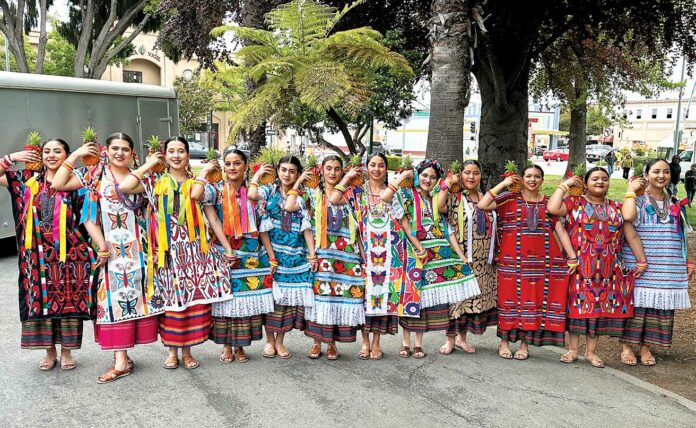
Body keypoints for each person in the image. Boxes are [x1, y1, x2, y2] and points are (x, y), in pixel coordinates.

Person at [53, 133, 165, 383]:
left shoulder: (143, 177)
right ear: (106, 150)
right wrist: (77, 155)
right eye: (115, 148)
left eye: (125, 149)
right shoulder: (94, 175)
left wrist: (148, 165)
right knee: (113, 302)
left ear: (133, 153)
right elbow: (58, 183)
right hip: (111, 252)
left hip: (140, 251)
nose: (120, 153)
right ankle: (121, 360)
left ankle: (125, 358)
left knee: (135, 300)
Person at [120, 136, 234, 370]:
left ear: (187, 155)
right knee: (171, 301)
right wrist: (150, 164)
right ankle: (172, 352)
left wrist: (228, 248)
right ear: (165, 154)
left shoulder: (198, 183)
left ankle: (188, 351)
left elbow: (212, 217)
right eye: (171, 151)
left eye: (181, 151)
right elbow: (125, 186)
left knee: (191, 301)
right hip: (167, 251)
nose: (176, 155)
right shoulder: (155, 182)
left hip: (194, 250)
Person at [0, 139, 96, 372]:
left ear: (67, 154)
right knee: (39, 300)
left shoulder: (75, 180)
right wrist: (12, 157)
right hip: (35, 255)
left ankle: (67, 351)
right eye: (47, 151)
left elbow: (87, 216)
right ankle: (49, 352)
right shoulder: (25, 179)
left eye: (58, 151)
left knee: (68, 301)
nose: (52, 155)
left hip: (70, 254)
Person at [548, 167, 647, 368]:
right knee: (577, 308)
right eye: (594, 179)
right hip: (580, 268)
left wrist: (641, 260)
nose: (600, 182)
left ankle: (591, 353)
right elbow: (551, 208)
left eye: (604, 179)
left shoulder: (616, 207)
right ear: (585, 183)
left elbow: (630, 228)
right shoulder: (574, 204)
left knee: (598, 310)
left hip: (606, 271)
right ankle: (573, 350)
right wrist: (565, 186)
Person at [382, 159, 480, 359]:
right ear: (418, 175)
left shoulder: (436, 199)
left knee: (423, 299)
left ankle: (418, 343)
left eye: (433, 177)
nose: (428, 180)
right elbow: (405, 224)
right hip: (413, 251)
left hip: (436, 251)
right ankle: (405, 342)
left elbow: (447, 230)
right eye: (424, 175)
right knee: (411, 295)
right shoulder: (406, 194)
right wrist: (419, 248)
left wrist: (462, 256)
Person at [478, 164, 577, 360]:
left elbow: (560, 230)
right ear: (522, 179)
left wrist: (572, 256)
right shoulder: (509, 199)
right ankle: (504, 343)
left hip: (541, 264)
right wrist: (504, 184)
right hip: (511, 263)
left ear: (542, 180)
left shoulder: (548, 204)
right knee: (509, 303)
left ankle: (525, 345)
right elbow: (482, 204)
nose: (532, 180)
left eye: (537, 176)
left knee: (533, 303)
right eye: (529, 176)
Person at [193, 148, 275, 363]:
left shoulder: (256, 192)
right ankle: (227, 346)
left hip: (251, 253)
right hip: (224, 251)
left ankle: (240, 346)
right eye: (227, 164)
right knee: (225, 300)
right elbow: (196, 196)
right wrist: (205, 170)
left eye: (237, 163)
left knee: (244, 301)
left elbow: (262, 226)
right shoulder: (215, 191)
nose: (232, 168)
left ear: (245, 166)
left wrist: (270, 256)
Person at [286, 156, 365, 360]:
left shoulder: (351, 195)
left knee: (340, 297)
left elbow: (360, 226)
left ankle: (332, 344)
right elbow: (289, 206)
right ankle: (316, 342)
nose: (332, 173)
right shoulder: (312, 194)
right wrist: (300, 180)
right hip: (322, 254)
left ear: (342, 171)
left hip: (347, 255)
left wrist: (363, 259)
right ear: (321, 170)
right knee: (320, 298)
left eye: (337, 169)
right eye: (328, 168)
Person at [330, 153, 405, 360]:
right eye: (372, 165)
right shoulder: (356, 192)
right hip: (362, 254)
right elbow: (334, 199)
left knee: (382, 297)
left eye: (381, 165)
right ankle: (364, 342)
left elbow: (402, 220)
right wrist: (347, 177)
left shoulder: (393, 193)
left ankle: (377, 343)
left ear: (386, 169)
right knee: (364, 298)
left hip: (388, 254)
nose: (377, 169)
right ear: (367, 167)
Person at [620, 159, 693, 366]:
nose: (661, 176)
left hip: (668, 264)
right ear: (647, 174)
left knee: (658, 308)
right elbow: (627, 218)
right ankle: (627, 347)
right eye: (656, 171)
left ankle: (645, 348)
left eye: (666, 172)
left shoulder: (674, 201)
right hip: (641, 262)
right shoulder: (638, 199)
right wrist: (630, 189)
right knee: (637, 306)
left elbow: (682, 235)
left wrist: (688, 261)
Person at [247, 155, 316, 359]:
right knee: (272, 300)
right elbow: (252, 196)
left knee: (287, 302)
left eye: (292, 171)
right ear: (277, 171)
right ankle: (269, 340)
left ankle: (280, 341)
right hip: (272, 252)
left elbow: (306, 228)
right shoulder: (268, 192)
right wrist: (258, 175)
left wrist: (312, 254)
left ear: (298, 173)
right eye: (283, 170)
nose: (287, 174)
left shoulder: (304, 197)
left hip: (295, 254)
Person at [436, 160, 498, 355]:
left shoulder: (483, 197)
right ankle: (450, 340)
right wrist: (447, 184)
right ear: (461, 175)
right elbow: (439, 207)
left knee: (471, 299)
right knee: (457, 299)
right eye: (467, 173)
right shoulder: (455, 197)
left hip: (483, 258)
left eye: (476, 173)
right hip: (460, 255)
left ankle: (463, 339)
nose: (471, 177)